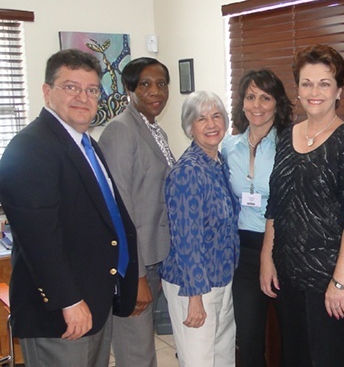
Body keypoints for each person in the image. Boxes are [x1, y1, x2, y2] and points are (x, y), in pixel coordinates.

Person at [0, 49, 138, 366]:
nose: (83, 97)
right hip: (63, 313)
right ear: (47, 92)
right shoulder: (31, 148)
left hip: (94, 301)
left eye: (91, 90)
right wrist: (69, 300)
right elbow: (39, 239)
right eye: (70, 87)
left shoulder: (84, 143)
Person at [260, 44, 344, 367]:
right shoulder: (287, 136)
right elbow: (275, 204)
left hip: (333, 284)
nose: (315, 92)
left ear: (339, 91)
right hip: (291, 277)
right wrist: (268, 259)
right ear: (296, 89)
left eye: (324, 83)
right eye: (306, 83)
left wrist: (339, 281)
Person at [98, 57, 173, 367]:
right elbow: (119, 207)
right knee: (136, 353)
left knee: (145, 349)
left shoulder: (157, 131)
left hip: (156, 257)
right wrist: (137, 275)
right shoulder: (120, 130)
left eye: (161, 84)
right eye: (145, 84)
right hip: (134, 263)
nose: (155, 91)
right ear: (129, 89)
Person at [160, 91, 240, 367]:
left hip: (221, 279)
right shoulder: (188, 171)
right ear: (189, 127)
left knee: (223, 358)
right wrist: (194, 297)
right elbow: (186, 238)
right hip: (193, 284)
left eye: (216, 116)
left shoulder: (218, 164)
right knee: (199, 361)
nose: (211, 124)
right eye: (201, 119)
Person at [221, 69, 293, 367]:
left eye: (265, 97)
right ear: (241, 103)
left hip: (284, 250)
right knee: (249, 340)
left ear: (278, 103)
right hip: (243, 253)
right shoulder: (228, 147)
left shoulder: (291, 146)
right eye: (250, 97)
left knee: (291, 338)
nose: (257, 105)